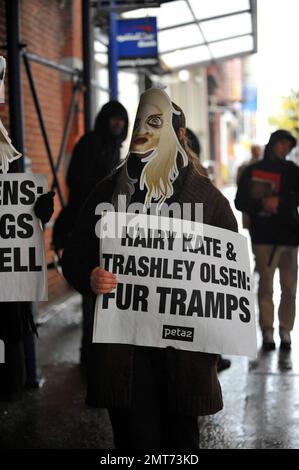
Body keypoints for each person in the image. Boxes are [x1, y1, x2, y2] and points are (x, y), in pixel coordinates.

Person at [61, 88, 238, 450]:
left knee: (180, 440)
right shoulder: (106, 193)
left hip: (183, 350)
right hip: (126, 348)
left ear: (179, 135)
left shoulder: (207, 200)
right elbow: (76, 254)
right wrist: (90, 275)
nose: (146, 133)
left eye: (157, 124)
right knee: (135, 440)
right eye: (143, 123)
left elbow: (229, 275)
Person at [53, 100, 128, 364]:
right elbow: (75, 180)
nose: (118, 124)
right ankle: (90, 354)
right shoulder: (90, 144)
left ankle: (96, 353)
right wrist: (101, 193)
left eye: (122, 120)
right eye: (114, 119)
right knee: (90, 286)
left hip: (106, 225)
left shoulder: (115, 148)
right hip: (87, 223)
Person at [235, 129, 299, 352]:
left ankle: (286, 329)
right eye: (280, 143)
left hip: (289, 237)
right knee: (266, 285)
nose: (284, 148)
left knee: (289, 287)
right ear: (272, 144)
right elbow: (240, 201)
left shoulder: (292, 170)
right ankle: (268, 330)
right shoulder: (253, 171)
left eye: (287, 145)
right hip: (263, 236)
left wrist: (279, 201)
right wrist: (261, 204)